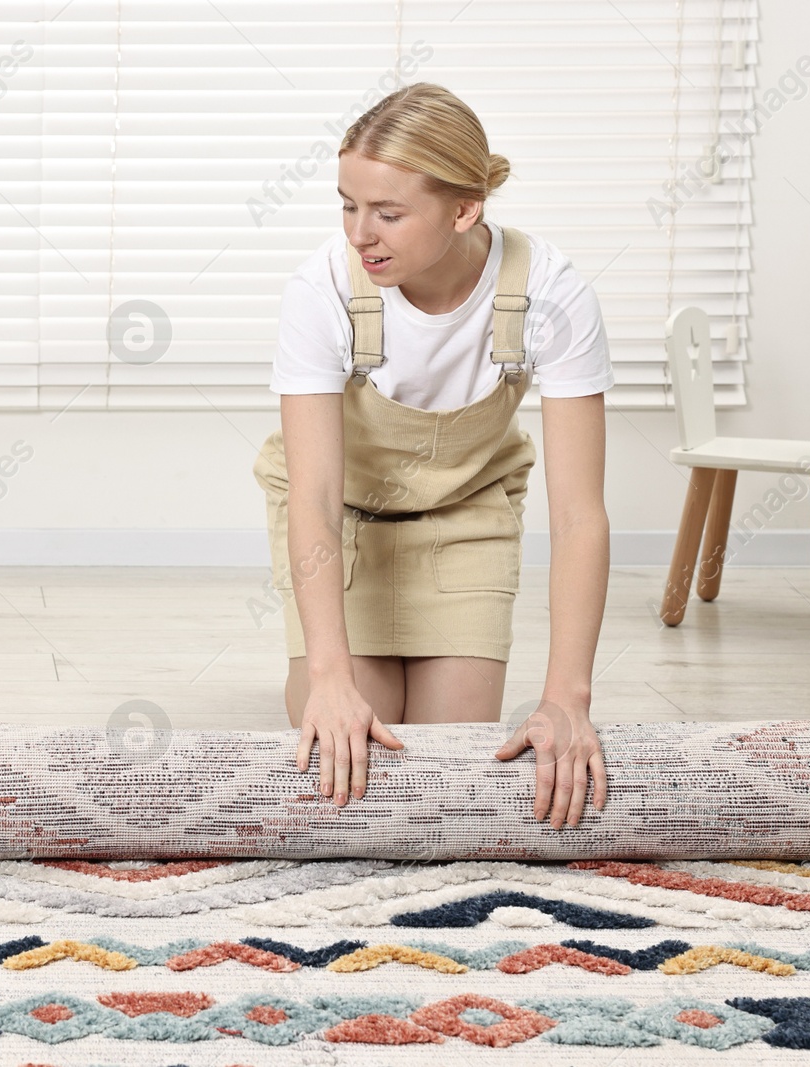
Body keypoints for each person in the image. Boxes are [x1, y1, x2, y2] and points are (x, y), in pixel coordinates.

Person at [251, 83, 613, 829]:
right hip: (341, 518)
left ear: (464, 209)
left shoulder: (552, 293)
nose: (360, 233)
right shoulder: (321, 289)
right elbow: (314, 498)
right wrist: (328, 676)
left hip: (466, 513)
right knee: (354, 760)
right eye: (347, 204)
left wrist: (567, 700)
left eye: (387, 213)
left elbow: (580, 516)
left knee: (448, 764)